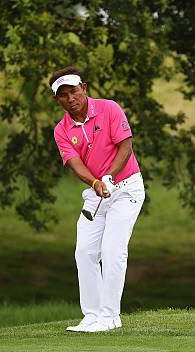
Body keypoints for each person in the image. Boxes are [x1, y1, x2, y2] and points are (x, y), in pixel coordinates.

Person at [50, 66, 145, 333]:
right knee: (85, 252)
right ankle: (91, 315)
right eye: (63, 95)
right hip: (97, 193)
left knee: (113, 250)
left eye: (74, 91)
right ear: (57, 100)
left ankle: (111, 316)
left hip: (126, 188)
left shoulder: (109, 108)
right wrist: (95, 182)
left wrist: (110, 177)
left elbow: (126, 145)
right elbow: (75, 163)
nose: (71, 98)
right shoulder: (61, 130)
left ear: (84, 88)